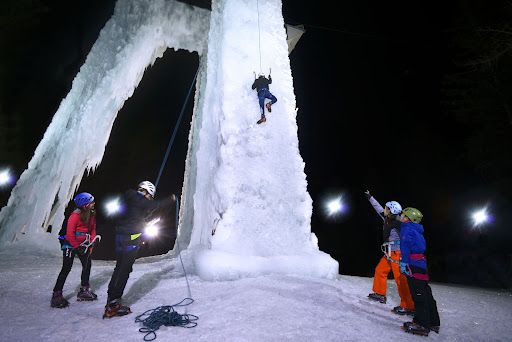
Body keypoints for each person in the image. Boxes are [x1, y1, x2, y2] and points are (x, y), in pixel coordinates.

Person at [103, 180, 176, 318]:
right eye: (149, 196)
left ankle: (110, 299)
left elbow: (133, 217)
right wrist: (170, 199)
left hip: (120, 237)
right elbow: (157, 205)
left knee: (119, 268)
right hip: (130, 240)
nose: (148, 199)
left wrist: (145, 222)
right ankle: (113, 303)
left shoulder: (128, 197)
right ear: (146, 192)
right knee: (124, 270)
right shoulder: (139, 199)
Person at [365, 190, 415, 316]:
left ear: (392, 210)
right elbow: (378, 208)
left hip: (397, 254)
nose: (385, 209)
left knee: (400, 279)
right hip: (388, 253)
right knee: (380, 270)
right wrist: (370, 197)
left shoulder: (398, 223)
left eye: (387, 208)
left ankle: (408, 306)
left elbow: (408, 237)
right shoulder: (387, 218)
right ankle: (380, 294)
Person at [51, 192, 100, 308]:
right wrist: (77, 247)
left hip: (84, 244)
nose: (93, 204)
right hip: (70, 244)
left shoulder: (92, 214)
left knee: (87, 265)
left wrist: (91, 242)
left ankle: (84, 290)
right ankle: (56, 294)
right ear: (84, 205)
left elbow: (92, 230)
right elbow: (70, 233)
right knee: (66, 267)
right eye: (91, 202)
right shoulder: (75, 216)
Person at [399, 207, 440, 336]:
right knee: (425, 292)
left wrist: (404, 262)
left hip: (412, 263)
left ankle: (422, 324)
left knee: (418, 294)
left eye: (403, 214)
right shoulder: (417, 230)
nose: (401, 216)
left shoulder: (407, 228)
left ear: (408, 218)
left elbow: (405, 246)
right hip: (421, 264)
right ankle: (433, 321)